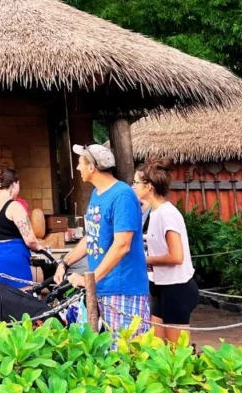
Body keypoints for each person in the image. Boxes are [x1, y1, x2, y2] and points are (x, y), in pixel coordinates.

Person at [54, 144, 150, 336]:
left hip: (123, 289)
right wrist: (65, 262)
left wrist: (89, 280)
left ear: (92, 167)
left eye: (81, 163)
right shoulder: (96, 194)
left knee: (123, 355)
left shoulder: (122, 195)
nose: (78, 168)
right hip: (102, 288)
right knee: (102, 354)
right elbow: (92, 235)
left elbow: (122, 245)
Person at [133, 165, 198, 343]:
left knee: (177, 352)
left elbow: (177, 256)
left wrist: (145, 260)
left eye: (136, 182)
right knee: (157, 347)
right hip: (160, 285)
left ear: (149, 186)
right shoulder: (154, 213)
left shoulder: (167, 214)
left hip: (177, 287)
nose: (133, 186)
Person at [0, 168, 42, 288]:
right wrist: (40, 248)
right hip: (12, 259)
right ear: (13, 183)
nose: (19, 188)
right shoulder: (15, 206)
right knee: (22, 299)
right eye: (18, 184)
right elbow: (29, 239)